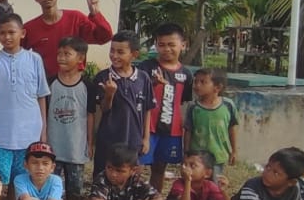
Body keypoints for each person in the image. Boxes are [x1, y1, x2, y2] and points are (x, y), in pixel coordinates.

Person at [0, 13, 48, 200]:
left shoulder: (34, 59)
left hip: (29, 131)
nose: (7, 37)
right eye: (2, 33)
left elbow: (41, 95)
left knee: (19, 178)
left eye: (11, 32)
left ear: (22, 33)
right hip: (1, 129)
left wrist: (43, 130)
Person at [22, 0, 113, 80]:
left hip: (74, 83)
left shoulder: (76, 18)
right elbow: (15, 53)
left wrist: (96, 14)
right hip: (46, 86)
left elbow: (105, 37)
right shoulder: (29, 28)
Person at [138, 22, 193, 191]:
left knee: (159, 169)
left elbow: (182, 102)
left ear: (183, 45)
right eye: (161, 45)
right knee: (136, 167)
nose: (166, 49)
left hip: (171, 131)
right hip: (146, 129)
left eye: (171, 45)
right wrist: (153, 85)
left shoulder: (186, 74)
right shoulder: (146, 67)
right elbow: (136, 93)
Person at [93, 32, 155, 176]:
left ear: (134, 54)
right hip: (109, 141)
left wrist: (146, 139)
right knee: (104, 177)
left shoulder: (143, 78)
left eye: (120, 52)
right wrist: (109, 94)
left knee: (131, 178)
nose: (114, 56)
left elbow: (147, 109)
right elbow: (103, 108)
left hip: (133, 141)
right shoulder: (103, 77)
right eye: (112, 51)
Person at [46, 36, 96, 200]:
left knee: (75, 188)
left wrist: (89, 143)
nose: (61, 58)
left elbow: (90, 115)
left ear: (80, 58)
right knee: (51, 185)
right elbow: (43, 111)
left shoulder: (87, 86)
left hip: (75, 146)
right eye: (59, 53)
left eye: (67, 54)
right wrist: (43, 137)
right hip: (53, 146)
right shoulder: (50, 82)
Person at [184, 68, 239, 183]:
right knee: (195, 183)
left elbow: (232, 128)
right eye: (196, 81)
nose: (197, 85)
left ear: (217, 87)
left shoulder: (228, 105)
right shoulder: (193, 107)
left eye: (203, 82)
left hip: (218, 155)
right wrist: (186, 152)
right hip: (197, 155)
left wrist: (234, 150)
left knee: (215, 184)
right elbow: (188, 131)